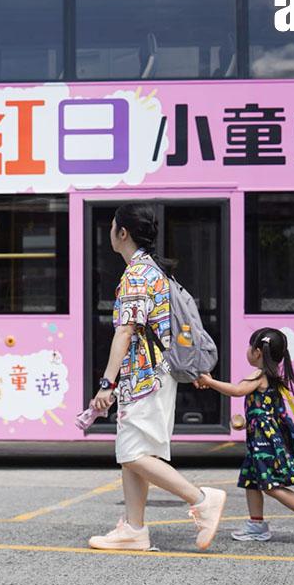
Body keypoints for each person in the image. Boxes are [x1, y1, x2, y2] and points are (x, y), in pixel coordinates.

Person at [87, 203, 226, 552]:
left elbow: (125, 331)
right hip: (156, 376)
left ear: (123, 233)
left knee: (133, 454)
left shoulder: (136, 275)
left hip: (144, 378)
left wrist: (107, 383)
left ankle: (200, 499)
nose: (110, 232)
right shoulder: (155, 271)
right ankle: (135, 529)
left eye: (113, 226)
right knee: (135, 451)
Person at [196, 328, 294, 545]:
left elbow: (237, 391)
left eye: (249, 347)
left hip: (263, 441)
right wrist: (247, 422)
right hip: (259, 439)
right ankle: (256, 524)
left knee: (271, 485)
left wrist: (210, 382)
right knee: (252, 480)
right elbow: (267, 412)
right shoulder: (272, 375)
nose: (247, 351)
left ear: (257, 352)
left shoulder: (258, 375)